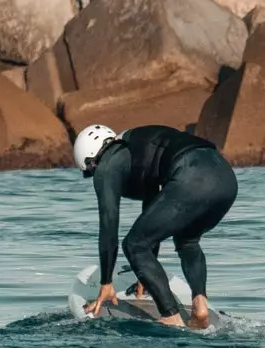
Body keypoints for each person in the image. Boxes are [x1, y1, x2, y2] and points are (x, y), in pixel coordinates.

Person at [74, 123, 239, 329]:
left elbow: (109, 227)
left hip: (191, 173)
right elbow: (151, 213)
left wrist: (106, 283)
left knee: (133, 245)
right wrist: (146, 273)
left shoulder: (107, 164)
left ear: (91, 159)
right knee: (187, 240)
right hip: (226, 178)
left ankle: (170, 315)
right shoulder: (138, 147)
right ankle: (200, 304)